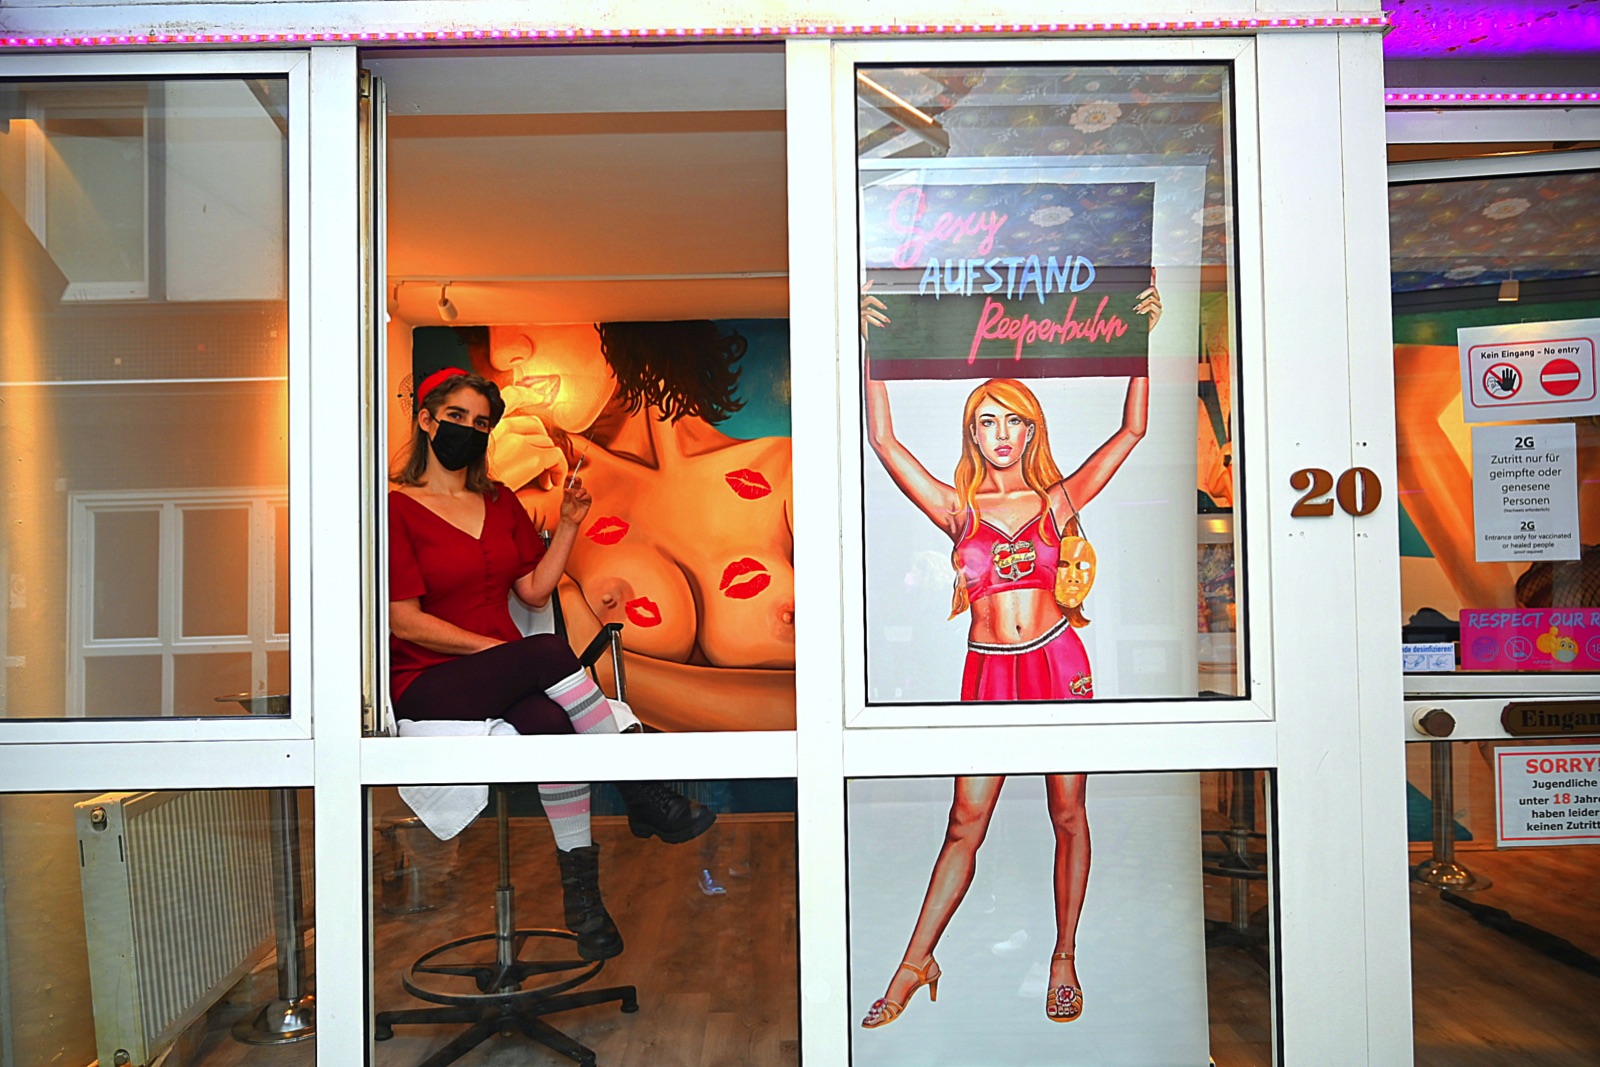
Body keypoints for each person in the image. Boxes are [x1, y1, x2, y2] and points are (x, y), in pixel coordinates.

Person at [857, 279, 1158, 1027]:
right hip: (989, 669)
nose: (1000, 433)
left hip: (1058, 661)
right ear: (973, 433)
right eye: (986, 420)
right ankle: (915, 960)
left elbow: (1132, 431)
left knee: (1068, 813)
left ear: (1030, 431)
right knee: (965, 821)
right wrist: (871, 348)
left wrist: (1141, 342)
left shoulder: (1058, 500)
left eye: (1013, 420)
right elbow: (884, 442)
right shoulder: (957, 510)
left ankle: (1064, 956)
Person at [388, 366, 716, 961]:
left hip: (507, 673)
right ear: (427, 420)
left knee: (551, 723)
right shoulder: (395, 508)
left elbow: (535, 593)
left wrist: (568, 524)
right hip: (430, 680)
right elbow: (402, 621)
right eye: (456, 417)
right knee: (543, 653)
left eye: (480, 423)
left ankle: (582, 895)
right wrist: (501, 653)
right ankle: (639, 790)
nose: (468, 430)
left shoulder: (499, 501)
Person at [469, 321, 795, 730]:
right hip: (625, 766)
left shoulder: (783, 471)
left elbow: (830, 697)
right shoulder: (550, 491)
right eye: (485, 336)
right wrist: (475, 486)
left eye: (533, 313)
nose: (500, 354)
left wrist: (603, 670)